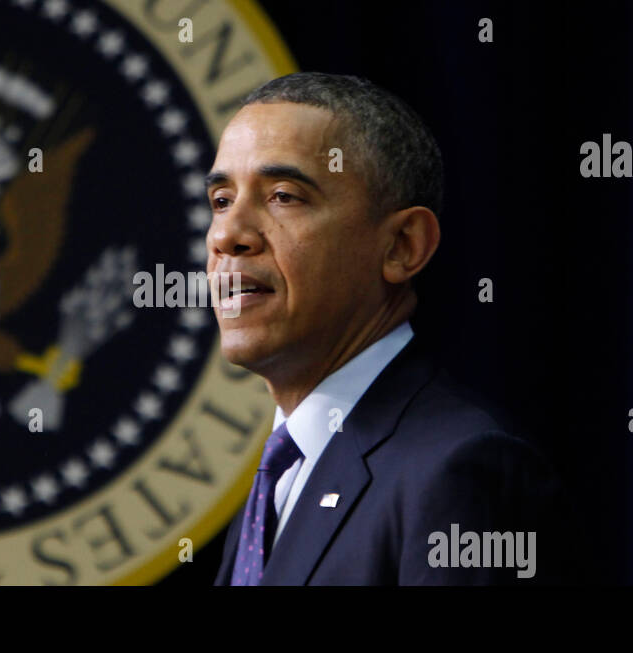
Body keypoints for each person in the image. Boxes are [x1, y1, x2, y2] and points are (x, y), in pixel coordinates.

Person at [206, 72, 563, 585]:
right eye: (220, 201)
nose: (228, 235)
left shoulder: (460, 472)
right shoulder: (279, 480)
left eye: (283, 195)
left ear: (403, 246)